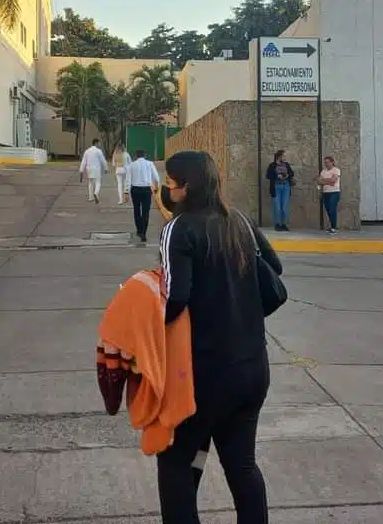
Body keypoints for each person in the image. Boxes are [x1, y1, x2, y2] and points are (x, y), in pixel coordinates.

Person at [156, 150, 282, 524]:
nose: (166, 189)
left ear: (185, 187)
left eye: (170, 182)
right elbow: (274, 268)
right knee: (241, 465)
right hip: (251, 370)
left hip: (201, 375)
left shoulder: (179, 228)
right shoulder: (238, 220)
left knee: (176, 463)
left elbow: (174, 298)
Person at [127, 149, 160, 243]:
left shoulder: (131, 165)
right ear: (144, 155)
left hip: (135, 189)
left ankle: (139, 230)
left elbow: (128, 179)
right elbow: (156, 177)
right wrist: (156, 186)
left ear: (136, 156)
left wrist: (126, 191)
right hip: (146, 190)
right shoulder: (150, 164)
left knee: (136, 210)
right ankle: (144, 233)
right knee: (146, 211)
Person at [264, 149, 295, 231]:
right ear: (279, 156)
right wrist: (277, 176)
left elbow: (292, 173)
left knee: (284, 207)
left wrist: (287, 175)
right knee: (277, 207)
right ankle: (277, 224)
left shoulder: (287, 165)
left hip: (286, 187)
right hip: (276, 187)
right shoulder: (272, 165)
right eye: (284, 156)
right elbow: (268, 175)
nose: (285, 157)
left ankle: (284, 224)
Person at [79, 138, 109, 204]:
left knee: (90, 183)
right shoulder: (98, 151)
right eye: (99, 143)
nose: (99, 144)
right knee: (98, 182)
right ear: (96, 143)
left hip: (89, 169)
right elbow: (103, 160)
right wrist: (106, 168)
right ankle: (96, 193)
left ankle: (91, 197)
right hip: (96, 169)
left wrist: (81, 170)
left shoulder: (87, 151)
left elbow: (83, 161)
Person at [317, 156, 342, 234]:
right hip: (325, 192)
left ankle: (334, 227)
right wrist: (327, 181)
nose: (326, 164)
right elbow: (319, 181)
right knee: (328, 210)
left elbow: (333, 181)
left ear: (332, 162)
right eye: (325, 162)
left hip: (334, 192)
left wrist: (323, 180)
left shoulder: (336, 170)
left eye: (327, 162)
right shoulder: (323, 171)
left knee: (332, 209)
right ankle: (332, 226)